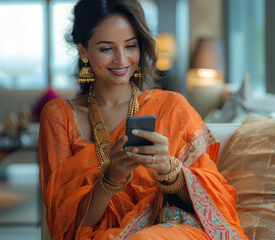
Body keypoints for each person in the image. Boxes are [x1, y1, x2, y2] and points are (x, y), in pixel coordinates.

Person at [38, 0, 248, 239]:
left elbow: (216, 202)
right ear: (83, 51)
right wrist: (110, 177)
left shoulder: (172, 106)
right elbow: (65, 227)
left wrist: (170, 170)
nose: (121, 59)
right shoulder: (59, 116)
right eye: (106, 49)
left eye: (130, 46)